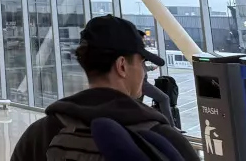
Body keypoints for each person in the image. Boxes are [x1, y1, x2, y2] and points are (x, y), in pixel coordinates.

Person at [11, 15, 198, 161]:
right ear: (122, 66)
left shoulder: (39, 135)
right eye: (141, 63)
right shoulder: (162, 140)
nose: (142, 71)